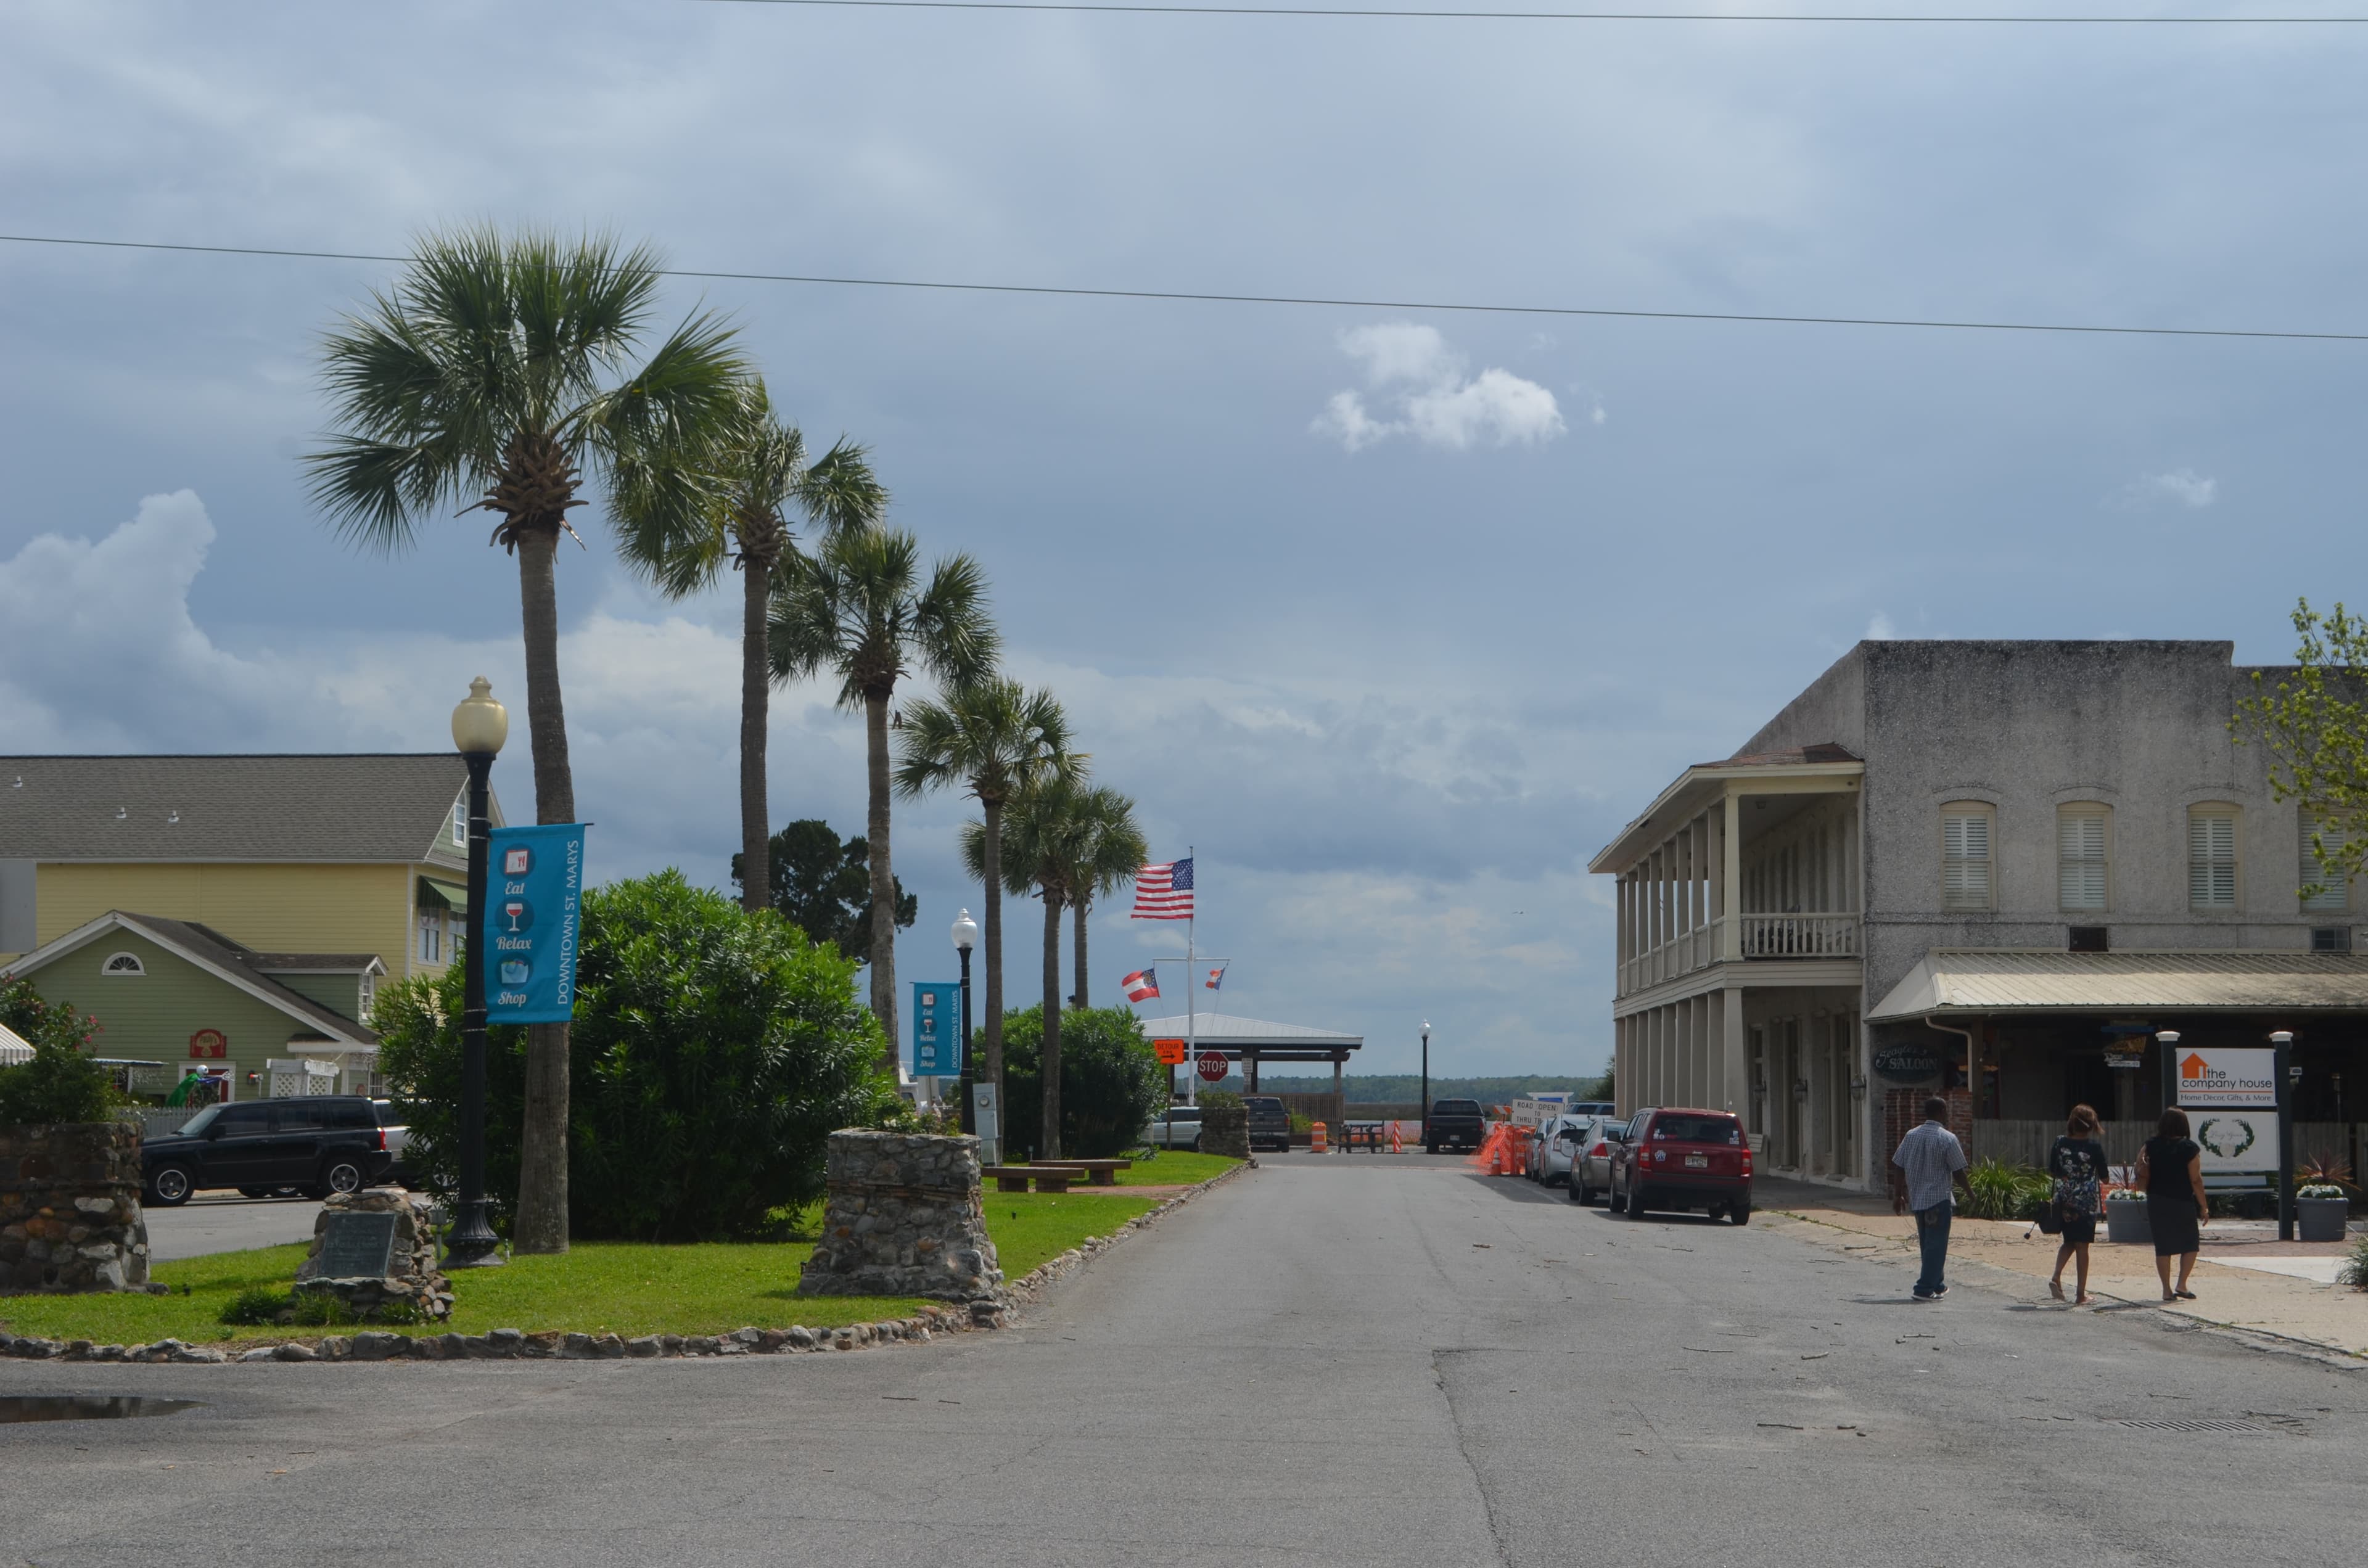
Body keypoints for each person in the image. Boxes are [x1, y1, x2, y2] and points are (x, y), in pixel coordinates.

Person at [1891, 1094, 1971, 1301]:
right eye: (1947, 1111)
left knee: (1929, 1245)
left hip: (1918, 1201)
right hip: (1938, 1201)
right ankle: (1924, 1289)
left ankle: (1937, 1284)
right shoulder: (1948, 1138)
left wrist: (1898, 1195)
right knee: (1937, 1246)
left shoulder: (1911, 1135)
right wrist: (1971, 1195)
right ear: (1942, 1112)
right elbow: (1958, 1172)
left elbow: (1899, 1166)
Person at [2136, 1106, 2208, 1301]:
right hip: (2182, 1201)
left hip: (2157, 1200)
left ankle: (2166, 1290)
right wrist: (2204, 1206)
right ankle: (2182, 1284)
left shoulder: (2150, 1145)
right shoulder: (2190, 1148)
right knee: (2191, 1243)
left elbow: (2139, 1167)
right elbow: (2196, 1180)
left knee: (2163, 1246)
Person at [2045, 1104, 2109, 1305]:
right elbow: (2105, 1178)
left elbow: (2052, 1170)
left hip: (2064, 1197)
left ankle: (2057, 1275)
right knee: (2083, 1246)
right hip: (2085, 1201)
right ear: (2091, 1125)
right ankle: (2081, 1294)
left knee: (2070, 1240)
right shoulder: (2094, 1147)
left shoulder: (2060, 1143)